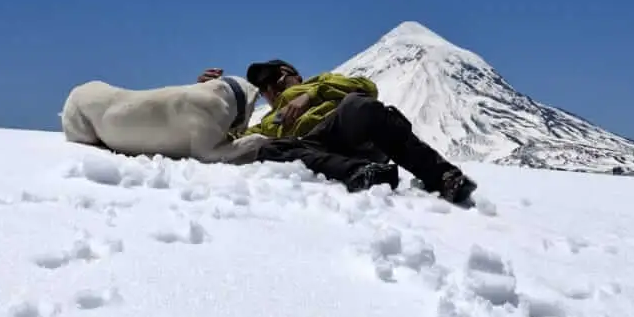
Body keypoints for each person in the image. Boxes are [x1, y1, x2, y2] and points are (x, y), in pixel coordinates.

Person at [199, 60, 477, 206]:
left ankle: (443, 177)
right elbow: (227, 143)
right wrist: (206, 95)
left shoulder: (324, 82)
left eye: (276, 78)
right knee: (267, 148)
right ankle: (364, 173)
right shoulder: (270, 119)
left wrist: (310, 94)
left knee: (359, 105)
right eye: (264, 88)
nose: (272, 89)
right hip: (315, 149)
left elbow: (367, 88)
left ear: (293, 74)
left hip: (345, 128)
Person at [61, 73, 264, 162]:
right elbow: (207, 154)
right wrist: (256, 141)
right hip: (81, 112)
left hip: (97, 106)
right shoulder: (205, 105)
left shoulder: (202, 99)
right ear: (249, 100)